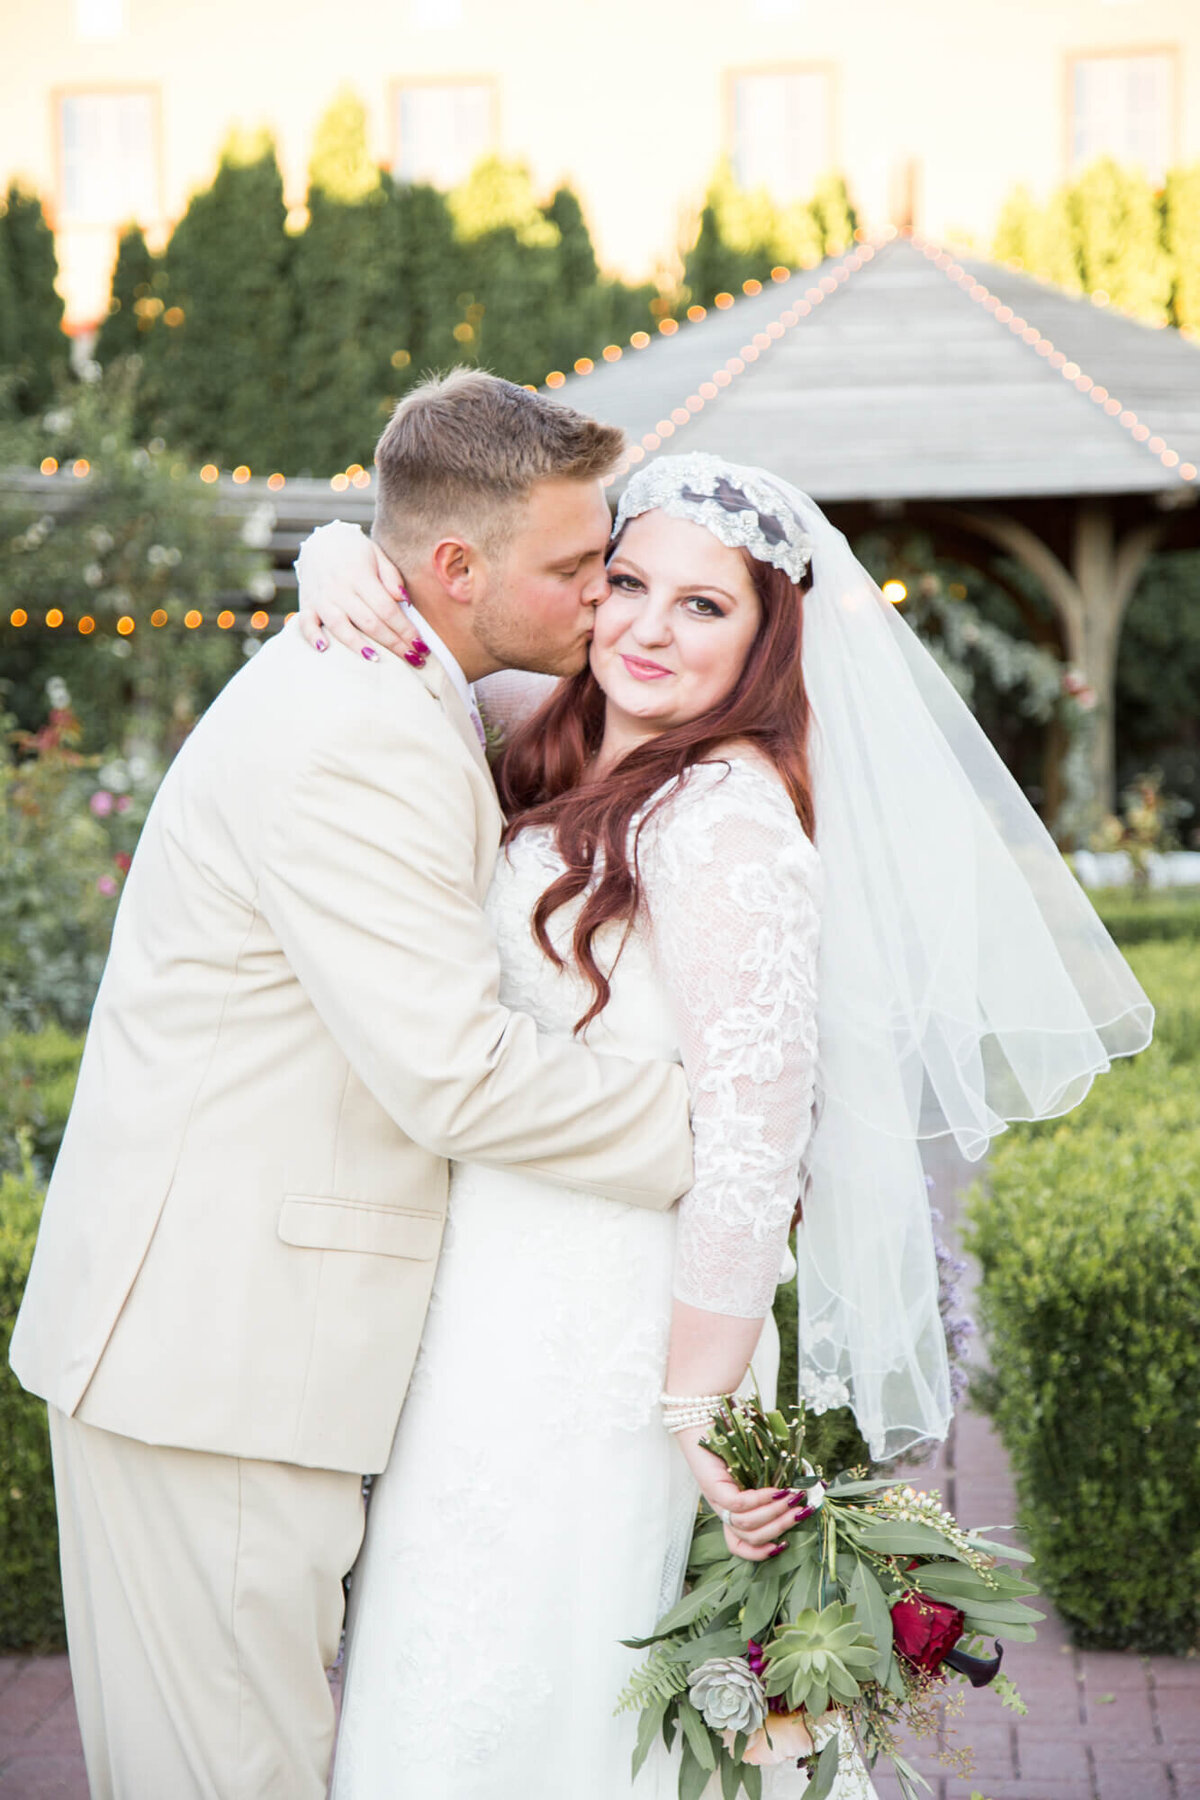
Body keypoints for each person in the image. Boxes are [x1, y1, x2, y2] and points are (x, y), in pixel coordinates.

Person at [294, 443, 1152, 1796]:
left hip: (623, 1335)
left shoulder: (726, 821)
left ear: (765, 642)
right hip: (492, 1305)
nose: (647, 626)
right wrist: (334, 557)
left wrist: (697, 1401)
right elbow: (431, 616)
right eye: (627, 582)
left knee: (567, 1674)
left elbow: (759, 1141)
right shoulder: (563, 730)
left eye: (706, 607)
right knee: (454, 1656)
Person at [9, 372, 708, 1800]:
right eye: (581, 567)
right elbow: (454, 1076)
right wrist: (721, 1135)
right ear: (455, 571)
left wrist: (345, 549)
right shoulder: (363, 728)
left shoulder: (397, 674)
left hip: (236, 1349)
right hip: (215, 1363)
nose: (604, 596)